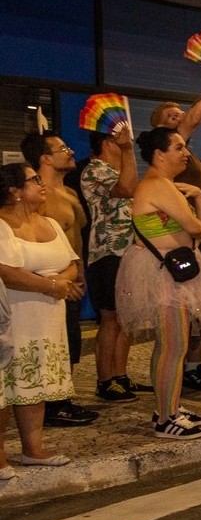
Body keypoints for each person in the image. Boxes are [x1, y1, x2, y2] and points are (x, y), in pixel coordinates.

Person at [117, 127, 201, 439]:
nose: (185, 153)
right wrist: (200, 200)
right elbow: (198, 227)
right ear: (159, 155)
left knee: (171, 344)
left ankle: (169, 406)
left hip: (169, 268)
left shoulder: (164, 185)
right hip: (163, 272)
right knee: (174, 345)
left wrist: (200, 197)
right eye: (178, 147)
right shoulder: (159, 186)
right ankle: (166, 418)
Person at [149, 54, 201, 393]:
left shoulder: (185, 154)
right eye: (172, 117)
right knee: (189, 308)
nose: (180, 118)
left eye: (179, 113)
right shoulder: (169, 149)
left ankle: (192, 366)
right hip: (188, 241)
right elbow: (195, 118)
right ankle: (183, 370)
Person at [0, 163, 80, 469]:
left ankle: (33, 449)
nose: (41, 183)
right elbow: (6, 272)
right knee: (8, 387)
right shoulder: (2, 224)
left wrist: (64, 282)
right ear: (14, 191)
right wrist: (52, 285)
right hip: (15, 318)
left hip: (48, 316)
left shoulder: (51, 223)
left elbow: (72, 261)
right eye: (34, 180)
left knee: (36, 383)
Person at [19, 131, 97, 427]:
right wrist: (53, 282)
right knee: (52, 343)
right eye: (63, 148)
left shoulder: (70, 192)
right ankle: (52, 404)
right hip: (50, 285)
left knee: (70, 341)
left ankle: (62, 399)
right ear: (45, 158)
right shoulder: (36, 199)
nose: (71, 152)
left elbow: (75, 240)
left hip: (73, 278)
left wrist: (80, 275)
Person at [81, 125, 147, 401]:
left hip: (128, 253)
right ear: (108, 143)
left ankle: (121, 376)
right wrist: (128, 149)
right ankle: (105, 380)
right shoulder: (96, 169)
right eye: (119, 141)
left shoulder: (115, 170)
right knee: (111, 319)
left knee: (126, 318)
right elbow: (128, 188)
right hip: (107, 253)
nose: (125, 144)